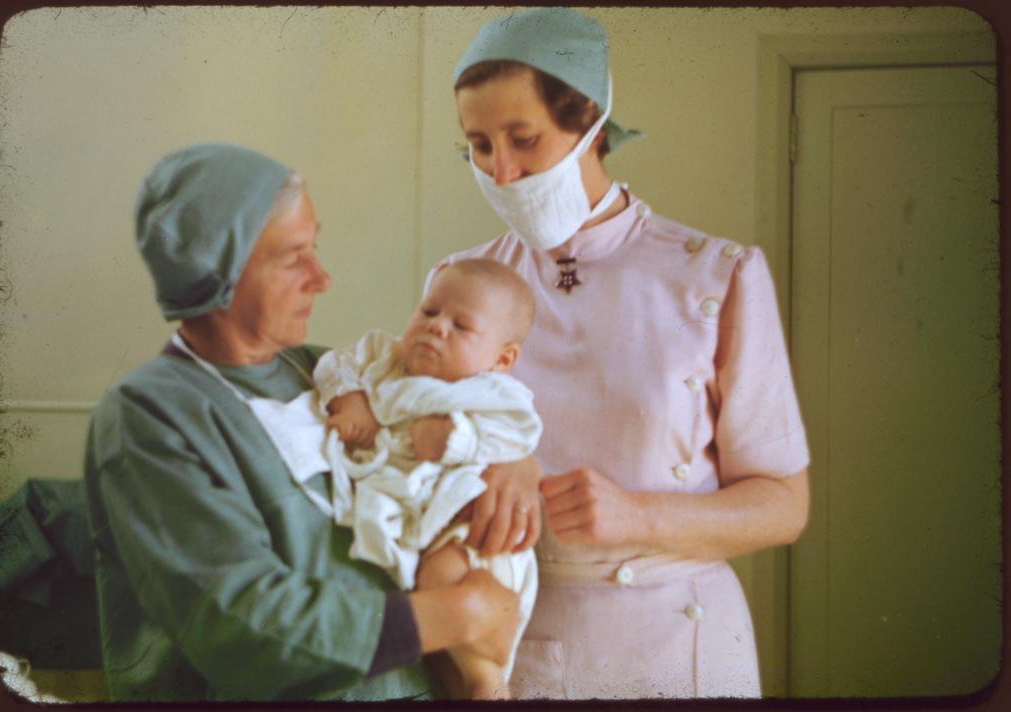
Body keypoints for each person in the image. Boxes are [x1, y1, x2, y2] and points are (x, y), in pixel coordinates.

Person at [434, 8, 811, 699]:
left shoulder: (716, 275)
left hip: (683, 639)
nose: (503, 170)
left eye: (525, 139)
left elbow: (785, 505)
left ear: (593, 127)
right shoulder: (461, 284)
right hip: (515, 637)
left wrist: (639, 515)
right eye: (480, 146)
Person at [83, 143, 537, 702]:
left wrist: (516, 462)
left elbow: (462, 407)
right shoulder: (149, 418)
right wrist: (458, 613)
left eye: (314, 248)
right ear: (218, 267)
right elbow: (238, 628)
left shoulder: (323, 369)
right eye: (293, 257)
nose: (322, 278)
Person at [314, 257, 542, 698]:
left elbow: (520, 432)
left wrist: (457, 437)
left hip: (467, 527)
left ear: (502, 358)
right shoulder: (384, 355)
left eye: (462, 326)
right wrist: (351, 398)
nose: (437, 328)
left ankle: (487, 681)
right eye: (429, 312)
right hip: (414, 520)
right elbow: (333, 363)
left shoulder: (493, 391)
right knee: (436, 657)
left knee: (440, 585)